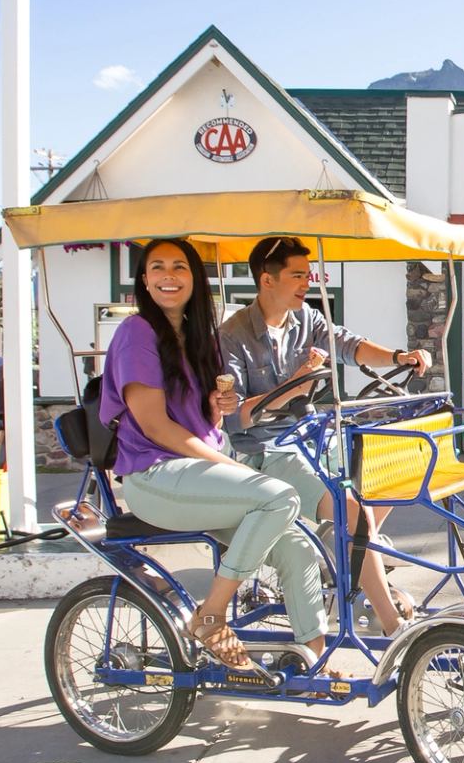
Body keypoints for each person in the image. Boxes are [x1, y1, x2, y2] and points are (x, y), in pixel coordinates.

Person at [99, 237, 326, 674]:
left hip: (196, 475)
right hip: (154, 475)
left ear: (194, 279)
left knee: (299, 544)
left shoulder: (198, 336)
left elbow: (207, 424)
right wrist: (227, 463)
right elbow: (155, 426)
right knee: (280, 496)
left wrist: (216, 413)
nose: (169, 276)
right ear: (144, 280)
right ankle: (211, 615)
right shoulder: (136, 333)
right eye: (158, 267)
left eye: (180, 267)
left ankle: (313, 659)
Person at [219, 235, 432, 636]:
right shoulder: (233, 336)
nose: (307, 282)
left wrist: (398, 357)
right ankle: (391, 624)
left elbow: (349, 345)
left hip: (313, 435)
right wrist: (297, 386)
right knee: (354, 511)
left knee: (396, 471)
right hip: (266, 450)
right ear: (267, 280)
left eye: (308, 274)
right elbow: (238, 419)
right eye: (298, 275)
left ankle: (346, 549)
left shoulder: (307, 320)